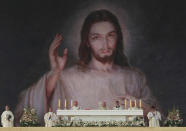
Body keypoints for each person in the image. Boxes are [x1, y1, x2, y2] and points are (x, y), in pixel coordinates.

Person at [15, 9, 159, 124]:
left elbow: (162, 121)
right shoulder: (67, 78)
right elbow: (27, 113)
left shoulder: (134, 77)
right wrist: (55, 73)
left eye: (110, 36)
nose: (105, 44)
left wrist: (143, 108)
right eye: (96, 37)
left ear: (118, 38)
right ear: (87, 42)